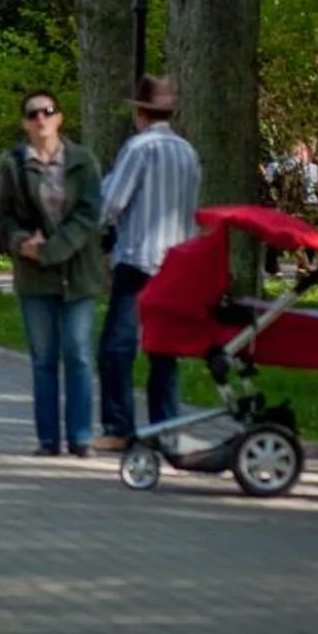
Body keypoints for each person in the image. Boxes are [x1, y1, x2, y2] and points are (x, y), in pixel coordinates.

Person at [0, 90, 107, 457]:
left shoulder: (83, 161)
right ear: (25, 122)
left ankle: (81, 436)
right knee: (43, 358)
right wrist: (22, 242)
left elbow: (90, 214)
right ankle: (47, 440)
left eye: (48, 112)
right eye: (32, 114)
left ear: (60, 118)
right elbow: (1, 219)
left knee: (78, 353)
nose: (41, 119)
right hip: (34, 275)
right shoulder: (11, 164)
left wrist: (51, 250)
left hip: (77, 272)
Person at [96, 74, 201, 448]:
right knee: (163, 349)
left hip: (139, 258)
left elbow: (111, 202)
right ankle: (165, 425)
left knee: (116, 347)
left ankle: (118, 427)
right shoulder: (187, 152)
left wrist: (95, 226)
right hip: (177, 263)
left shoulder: (140, 148)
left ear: (140, 112)